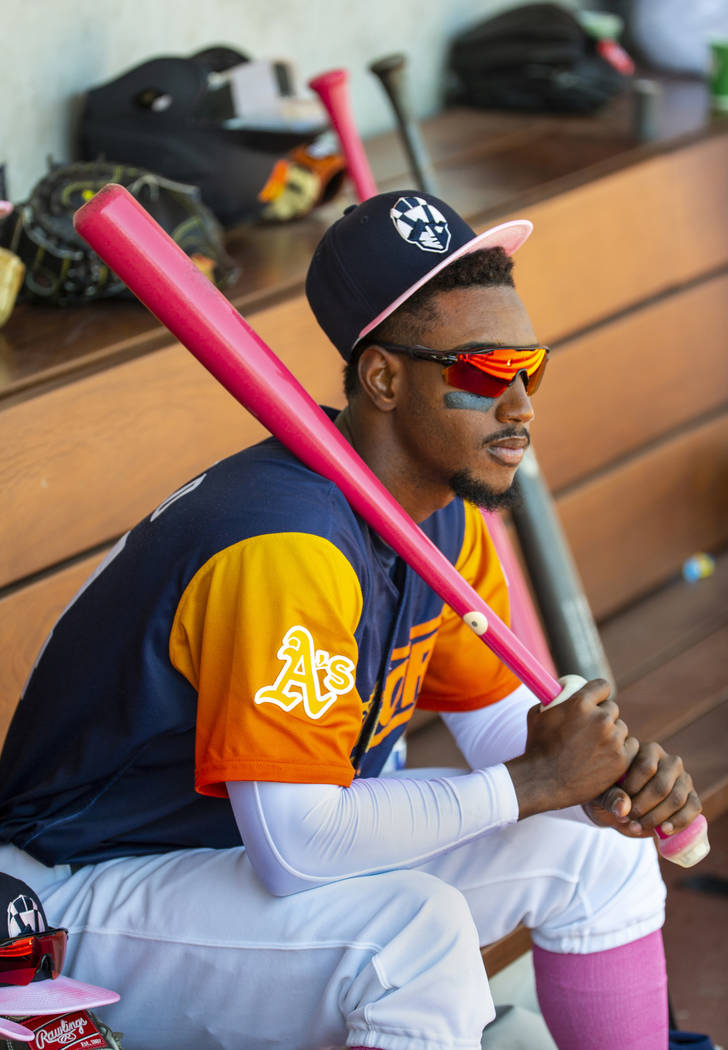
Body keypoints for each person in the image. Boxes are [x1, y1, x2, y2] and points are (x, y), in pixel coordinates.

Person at [0, 192, 703, 1050]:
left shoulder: (445, 514)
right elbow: (298, 848)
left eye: (529, 366)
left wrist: (600, 783)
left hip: (227, 859)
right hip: (76, 893)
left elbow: (506, 743)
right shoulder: (282, 544)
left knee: (596, 853)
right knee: (413, 939)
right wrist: (532, 784)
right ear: (383, 379)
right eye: (483, 372)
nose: (519, 405)